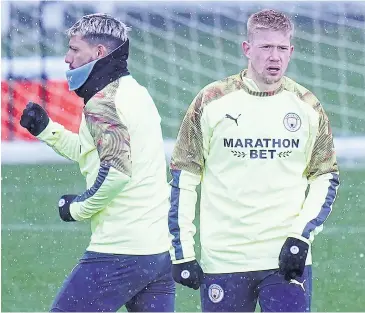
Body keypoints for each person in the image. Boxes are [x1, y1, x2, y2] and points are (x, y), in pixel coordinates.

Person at [168, 9, 339, 312]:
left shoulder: (308, 106)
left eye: (282, 48)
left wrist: (301, 237)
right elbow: (184, 176)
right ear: (247, 49)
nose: (275, 57)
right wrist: (181, 251)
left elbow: (325, 177)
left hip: (286, 258)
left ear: (291, 51)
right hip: (224, 258)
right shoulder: (211, 101)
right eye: (265, 47)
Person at [20, 13, 175, 312]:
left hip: (119, 252)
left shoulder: (103, 103)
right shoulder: (136, 94)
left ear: (99, 53)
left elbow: (116, 172)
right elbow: (95, 152)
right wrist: (47, 130)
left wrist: (75, 209)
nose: (67, 58)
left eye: (75, 49)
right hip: (156, 253)